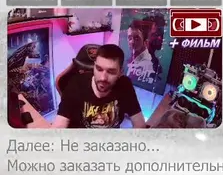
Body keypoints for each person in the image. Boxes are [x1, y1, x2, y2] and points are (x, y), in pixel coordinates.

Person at [17, 44, 150, 129]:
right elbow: (59, 125)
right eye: (99, 69)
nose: (103, 78)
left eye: (111, 72)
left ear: (120, 72)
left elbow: (139, 124)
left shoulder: (125, 85)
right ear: (94, 66)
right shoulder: (75, 85)